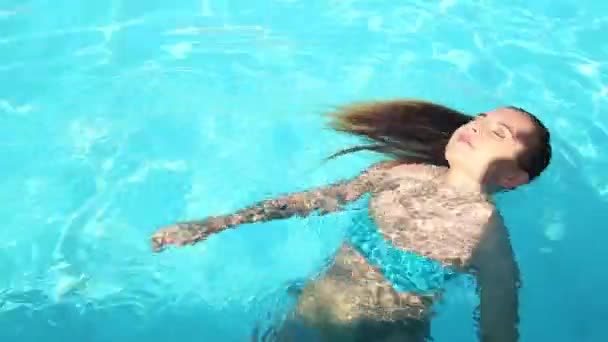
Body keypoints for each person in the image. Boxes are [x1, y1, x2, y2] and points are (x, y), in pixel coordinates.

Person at [150, 99, 552, 342]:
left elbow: (499, 324)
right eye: (478, 119)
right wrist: (214, 224)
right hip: (306, 315)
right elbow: (314, 201)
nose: (476, 127)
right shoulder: (397, 173)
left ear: (513, 178)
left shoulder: (487, 233)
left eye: (497, 133)